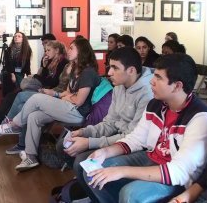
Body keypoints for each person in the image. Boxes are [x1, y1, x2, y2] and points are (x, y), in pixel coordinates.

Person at [80, 54, 207, 203]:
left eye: (159, 78)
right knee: (93, 170)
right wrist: (105, 151)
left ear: (177, 86)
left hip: (179, 178)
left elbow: (179, 172)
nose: (151, 82)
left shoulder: (201, 119)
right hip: (152, 157)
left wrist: (121, 171)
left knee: (131, 195)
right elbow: (136, 139)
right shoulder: (156, 104)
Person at [0, 37, 101, 171]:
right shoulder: (75, 69)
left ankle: (15, 125)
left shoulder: (88, 72)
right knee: (34, 116)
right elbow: (66, 93)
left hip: (78, 113)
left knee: (36, 99)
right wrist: (67, 96)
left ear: (81, 51)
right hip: (68, 107)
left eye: (71, 48)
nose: (68, 50)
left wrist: (68, 97)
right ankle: (31, 157)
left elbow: (79, 101)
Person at [65, 47, 154, 196]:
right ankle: (89, 193)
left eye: (115, 68)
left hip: (136, 146)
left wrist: (89, 142)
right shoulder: (119, 86)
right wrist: (85, 132)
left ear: (131, 70)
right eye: (109, 66)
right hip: (118, 139)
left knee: (84, 164)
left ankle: (97, 193)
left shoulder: (147, 93)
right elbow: (109, 122)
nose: (109, 72)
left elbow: (133, 137)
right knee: (67, 145)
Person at [1, 31, 32, 96]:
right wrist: (12, 74)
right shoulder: (8, 50)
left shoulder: (27, 50)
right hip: (9, 72)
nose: (16, 37)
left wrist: (29, 75)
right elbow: (7, 64)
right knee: (10, 83)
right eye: (15, 36)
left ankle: (14, 99)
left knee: (21, 87)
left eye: (19, 36)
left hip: (20, 73)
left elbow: (27, 64)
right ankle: (7, 99)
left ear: (23, 39)